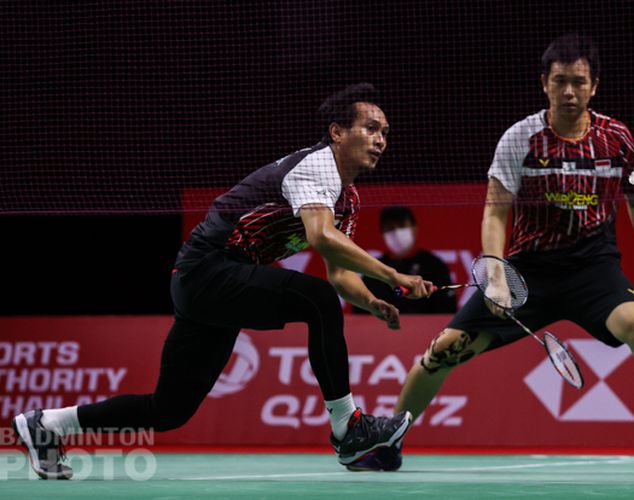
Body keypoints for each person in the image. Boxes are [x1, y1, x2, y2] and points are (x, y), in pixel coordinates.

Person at [12, 83, 434, 479]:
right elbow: (321, 237)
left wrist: (373, 301)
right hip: (208, 267)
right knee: (315, 299)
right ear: (337, 133)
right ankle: (349, 429)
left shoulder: (349, 197)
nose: (381, 139)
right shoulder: (317, 164)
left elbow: (340, 273)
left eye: (385, 131)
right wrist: (395, 274)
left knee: (169, 409)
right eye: (370, 128)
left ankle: (47, 424)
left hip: (220, 281)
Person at [354, 34, 634, 474]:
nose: (570, 92)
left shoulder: (617, 138)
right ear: (545, 83)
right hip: (529, 272)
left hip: (593, 268)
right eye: (561, 81)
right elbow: (495, 212)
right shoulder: (521, 138)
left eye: (579, 82)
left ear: (595, 85)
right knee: (446, 347)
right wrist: (496, 274)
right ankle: (391, 442)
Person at [354, 205, 457, 314]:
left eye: (402, 226)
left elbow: (447, 309)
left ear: (414, 228)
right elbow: (360, 310)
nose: (396, 233)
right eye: (390, 228)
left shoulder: (434, 266)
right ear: (382, 233)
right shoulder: (374, 269)